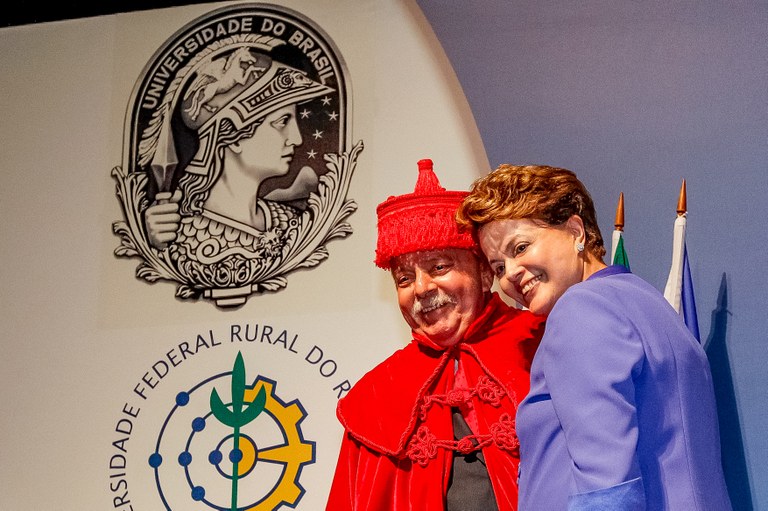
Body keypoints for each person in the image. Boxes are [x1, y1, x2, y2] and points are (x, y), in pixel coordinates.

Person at [456, 164, 732, 510]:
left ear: (575, 231)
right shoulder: (649, 304)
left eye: (521, 247)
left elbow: (607, 485)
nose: (510, 274)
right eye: (498, 267)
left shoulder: (580, 309)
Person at [325, 159, 545, 511]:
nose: (422, 289)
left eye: (439, 267)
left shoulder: (543, 343)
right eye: (404, 279)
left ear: (485, 274)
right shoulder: (376, 395)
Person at [144, 37, 333, 256]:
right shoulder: (183, 237)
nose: (297, 139)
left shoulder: (292, 223)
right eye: (282, 122)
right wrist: (156, 246)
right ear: (232, 136)